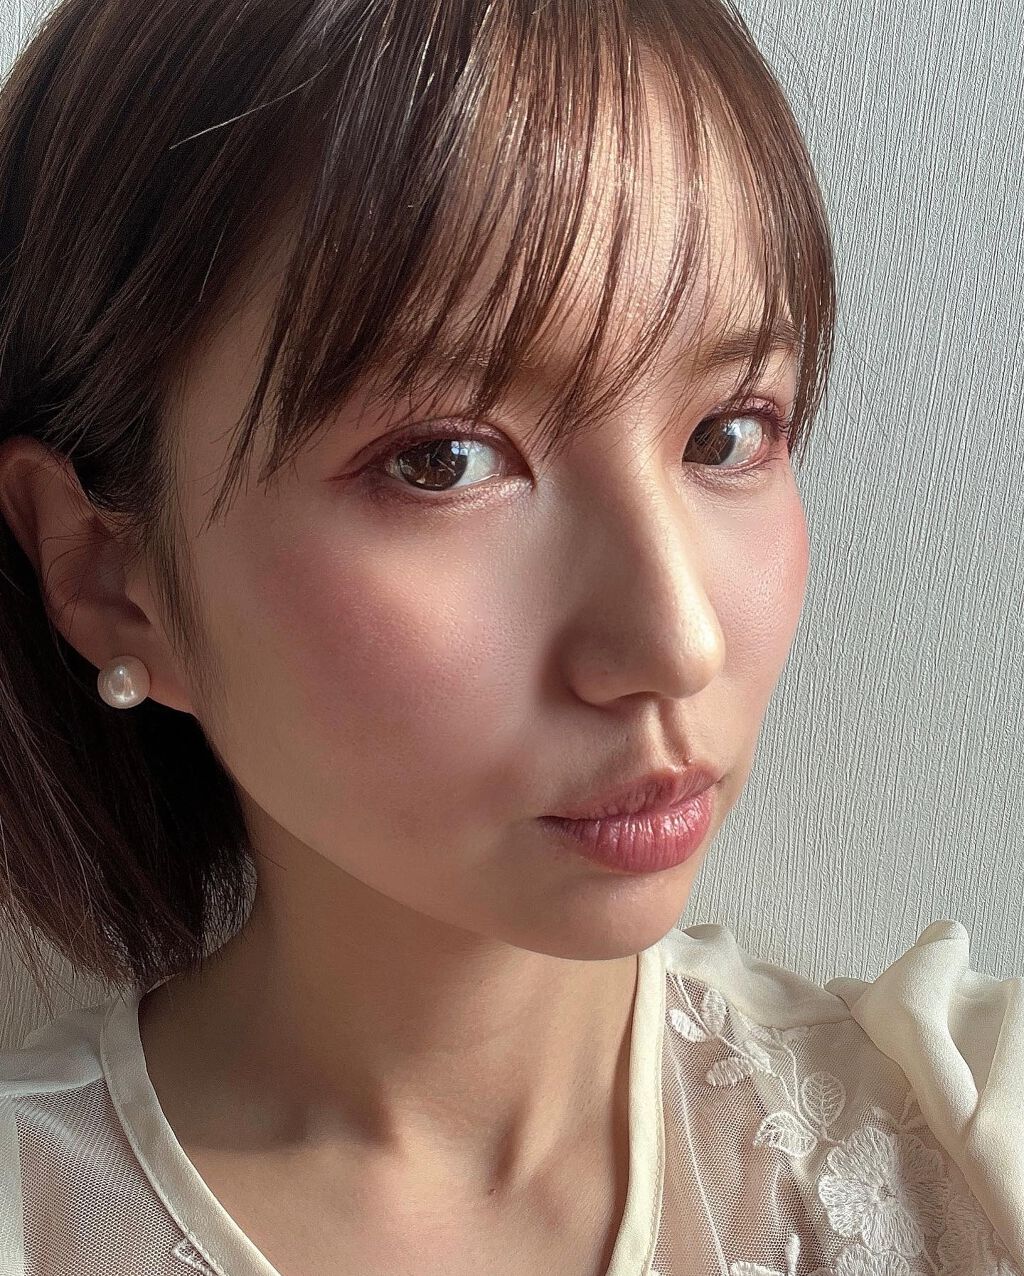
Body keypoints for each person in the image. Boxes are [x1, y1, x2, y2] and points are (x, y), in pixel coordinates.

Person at [0, 0, 1018, 1273]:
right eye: (442, 459)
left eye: (727, 433)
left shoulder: (964, 1144)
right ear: (111, 576)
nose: (677, 642)